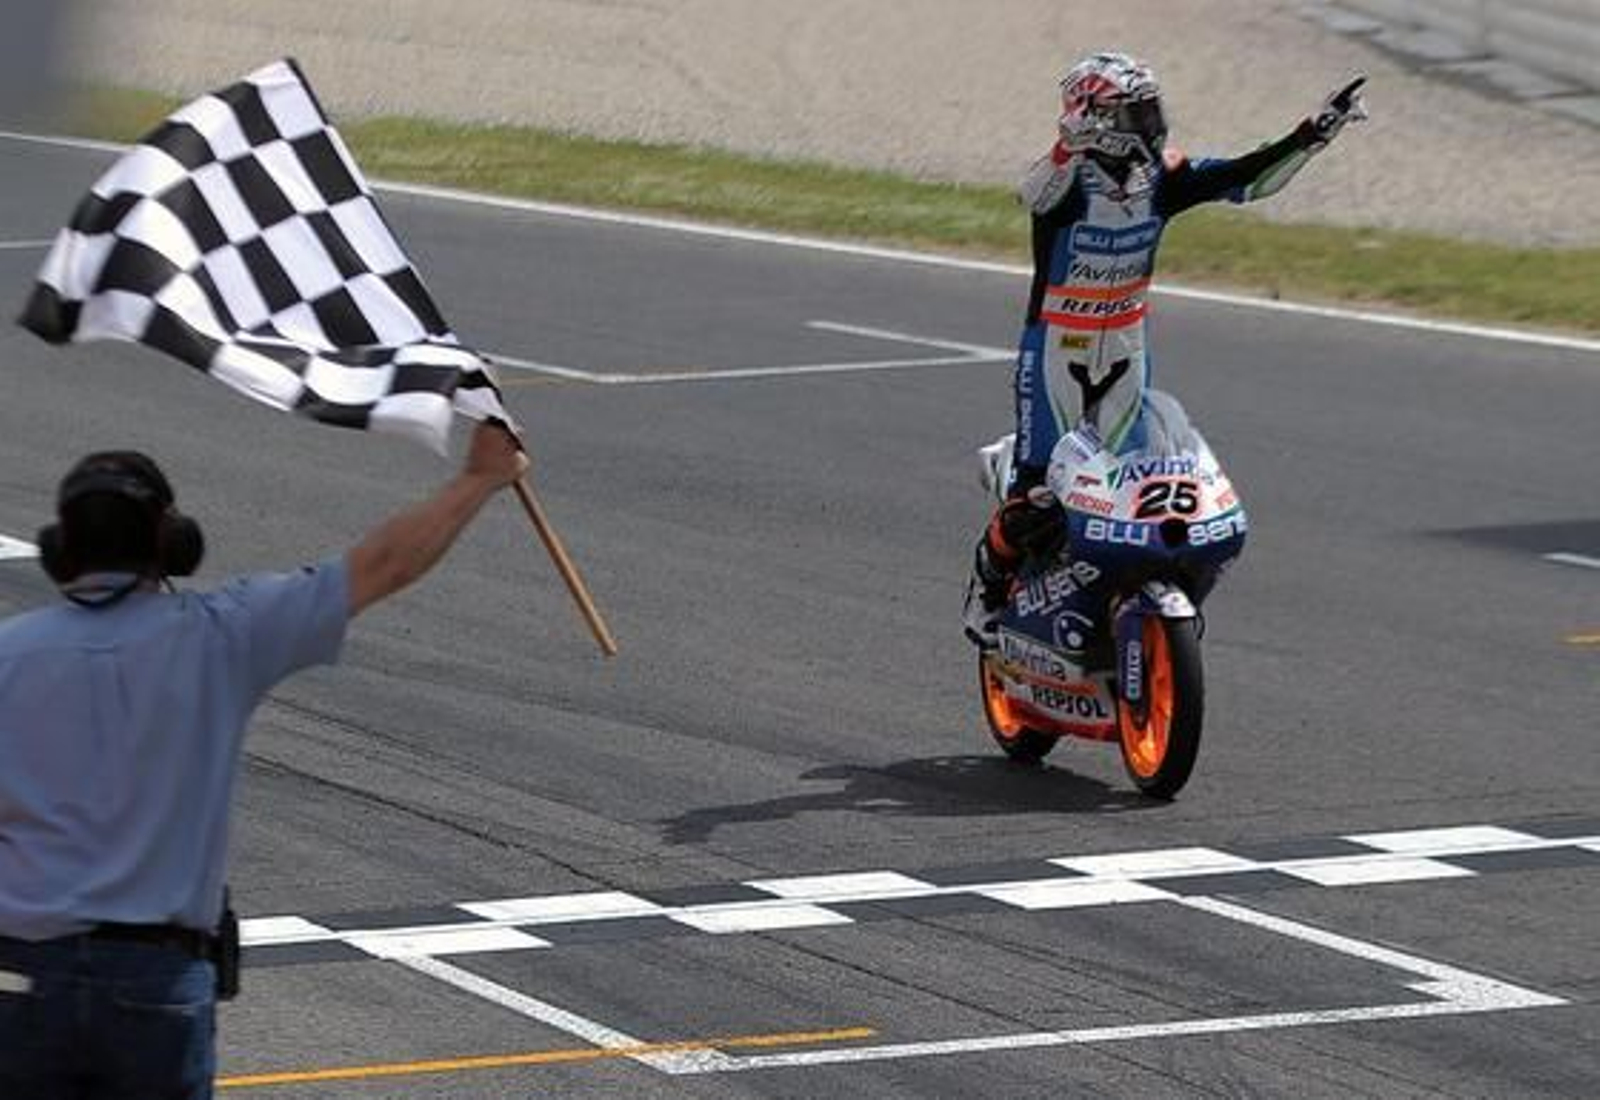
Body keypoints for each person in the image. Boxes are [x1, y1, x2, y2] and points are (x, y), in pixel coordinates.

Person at [0, 421, 527, 1098]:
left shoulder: (11, 653)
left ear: (61, 549)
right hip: (156, 984)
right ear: (171, 542)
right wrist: (479, 478)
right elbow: (383, 565)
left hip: (25, 975)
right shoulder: (219, 635)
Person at [963, 52, 1367, 646]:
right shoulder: (1068, 181)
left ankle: (1115, 597)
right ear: (1094, 115)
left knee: (1135, 487)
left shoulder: (1161, 177)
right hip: (1056, 352)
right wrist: (1064, 147)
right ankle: (989, 590)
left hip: (1127, 347)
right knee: (1037, 498)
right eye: (1136, 110)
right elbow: (1032, 197)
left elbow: (1245, 179)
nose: (1152, 122)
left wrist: (1311, 137)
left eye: (1151, 108)